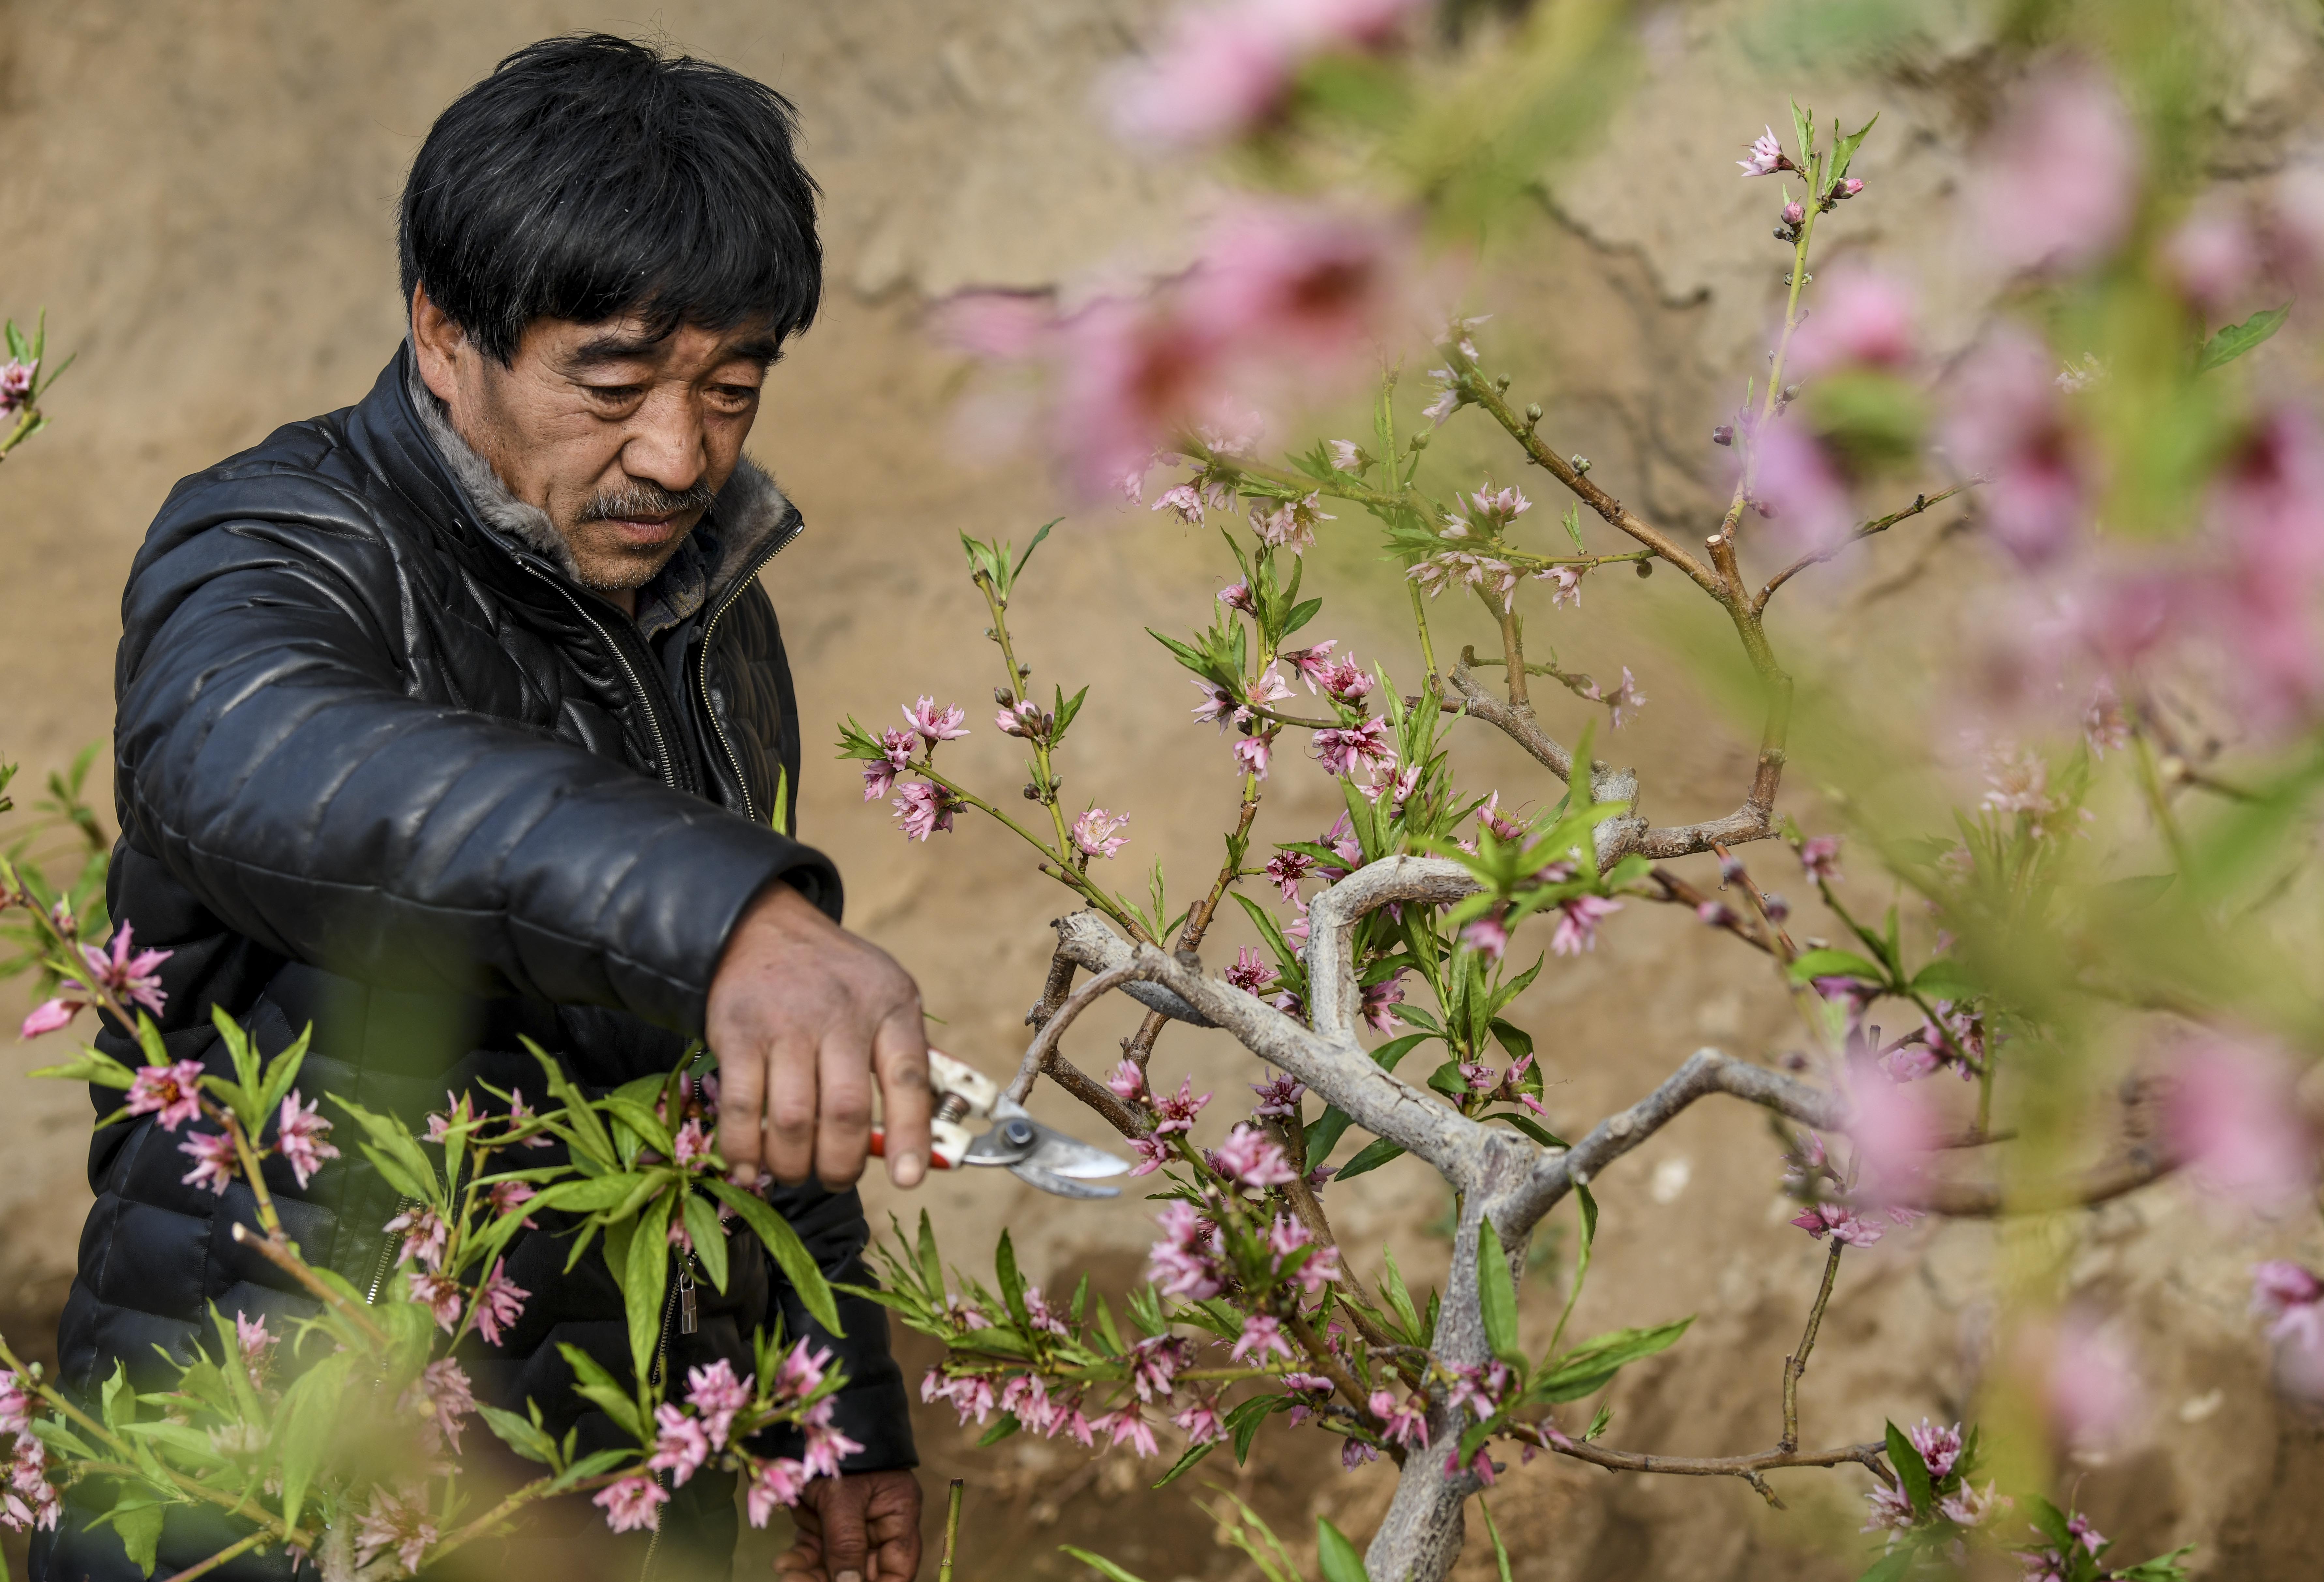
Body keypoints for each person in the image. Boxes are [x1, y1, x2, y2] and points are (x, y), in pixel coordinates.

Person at [36, 34, 933, 1582]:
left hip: (606, 1487)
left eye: (730, 388)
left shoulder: (708, 605)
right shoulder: (279, 538)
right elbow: (259, 751)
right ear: (444, 334)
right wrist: (722, 915)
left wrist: (824, 1399)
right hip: (288, 1497)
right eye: (614, 383)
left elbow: (753, 1092)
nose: (678, 454)